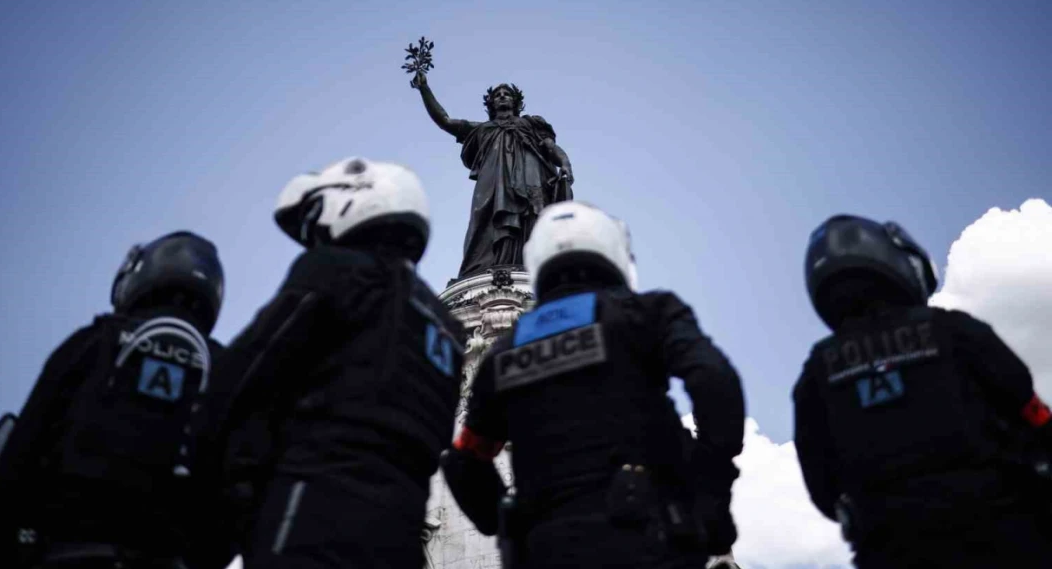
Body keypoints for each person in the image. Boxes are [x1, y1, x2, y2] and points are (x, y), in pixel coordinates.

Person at [442, 201, 746, 569]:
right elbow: (715, 380)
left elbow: (466, 457)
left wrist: (505, 520)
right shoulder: (648, 313)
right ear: (614, 254)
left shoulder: (505, 352)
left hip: (549, 545)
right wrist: (711, 482)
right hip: (650, 533)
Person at [219, 157, 466, 569]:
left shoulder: (336, 269)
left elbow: (246, 370)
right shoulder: (447, 330)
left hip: (312, 502)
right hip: (400, 528)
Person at [793, 214, 1052, 568]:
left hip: (889, 552)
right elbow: (1034, 416)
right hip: (1005, 538)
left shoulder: (814, 374)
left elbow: (822, 490)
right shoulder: (956, 331)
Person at [0, 231, 229, 569]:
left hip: (67, 553)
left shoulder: (92, 341)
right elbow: (242, 488)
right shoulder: (230, 369)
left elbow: (20, 456)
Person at [412, 70, 574, 279]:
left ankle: (529, 265)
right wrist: (424, 89)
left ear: (516, 101)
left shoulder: (531, 124)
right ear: (491, 104)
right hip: (493, 182)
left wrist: (565, 163)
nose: (502, 96)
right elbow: (446, 121)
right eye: (497, 95)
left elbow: (551, 147)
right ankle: (485, 267)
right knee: (485, 219)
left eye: (506, 93)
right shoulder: (482, 129)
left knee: (533, 215)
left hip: (530, 176)